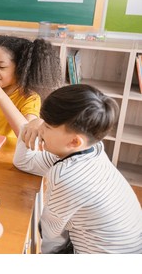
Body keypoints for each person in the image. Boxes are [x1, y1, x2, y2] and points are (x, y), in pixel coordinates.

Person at [13, 84, 142, 254]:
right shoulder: (91, 149)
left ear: (74, 141)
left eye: (48, 127)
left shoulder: (67, 176)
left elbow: (48, 232)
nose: (40, 129)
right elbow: (24, 163)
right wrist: (30, 125)